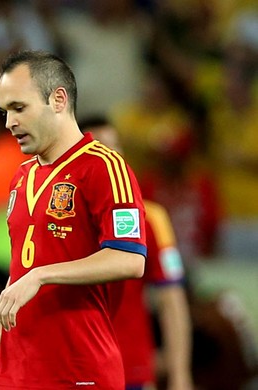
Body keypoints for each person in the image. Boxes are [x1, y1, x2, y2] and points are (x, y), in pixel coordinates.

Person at [0, 50, 147, 389]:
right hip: (13, 372)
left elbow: (130, 258)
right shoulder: (22, 176)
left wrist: (42, 275)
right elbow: (17, 278)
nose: (9, 122)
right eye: (4, 112)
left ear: (58, 99)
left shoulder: (104, 167)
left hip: (77, 370)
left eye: (19, 108)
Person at [81, 116, 194, 390]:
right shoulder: (56, 220)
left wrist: (180, 375)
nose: (110, 159)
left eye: (115, 149)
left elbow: (172, 301)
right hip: (72, 371)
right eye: (99, 150)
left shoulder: (150, 218)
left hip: (130, 372)